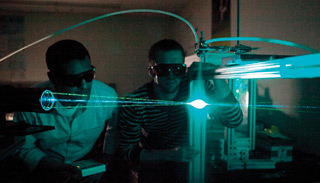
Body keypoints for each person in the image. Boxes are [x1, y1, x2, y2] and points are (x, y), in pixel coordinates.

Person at [118, 39, 243, 183]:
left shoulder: (195, 89)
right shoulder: (135, 102)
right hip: (155, 164)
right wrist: (170, 155)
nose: (171, 76)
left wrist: (214, 74)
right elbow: (127, 151)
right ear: (152, 72)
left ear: (184, 68)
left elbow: (233, 120)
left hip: (192, 162)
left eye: (177, 69)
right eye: (163, 70)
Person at [14, 39, 118, 183]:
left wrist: (104, 162)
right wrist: (51, 166)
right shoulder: (30, 102)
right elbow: (24, 147)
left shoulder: (107, 96)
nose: (84, 86)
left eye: (89, 76)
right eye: (73, 80)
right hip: (44, 169)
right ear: (53, 78)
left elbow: (115, 130)